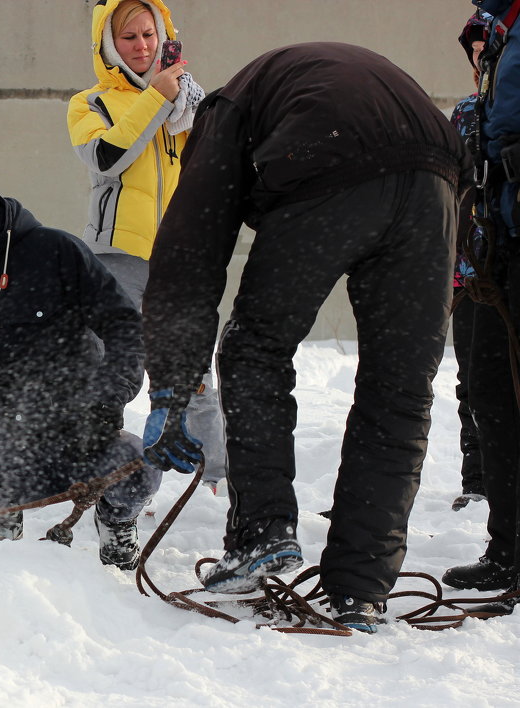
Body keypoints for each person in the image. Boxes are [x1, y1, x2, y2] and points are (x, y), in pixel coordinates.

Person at [139, 43, 473, 632]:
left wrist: (171, 386)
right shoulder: (299, 82)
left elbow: (189, 257)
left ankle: (261, 534)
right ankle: (361, 587)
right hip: (436, 181)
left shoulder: (222, 115)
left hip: (331, 159)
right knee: (400, 388)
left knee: (253, 348)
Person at [0, 157, 160, 568]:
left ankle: (116, 522)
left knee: (139, 467)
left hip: (74, 431)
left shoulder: (55, 252)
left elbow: (125, 327)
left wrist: (105, 403)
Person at [66, 0, 227, 490]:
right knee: (107, 360)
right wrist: (155, 98)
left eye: (149, 35)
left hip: (180, 254)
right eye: (129, 38)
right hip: (118, 255)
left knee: (192, 364)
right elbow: (106, 157)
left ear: (164, 36)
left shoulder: (191, 102)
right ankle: (90, 464)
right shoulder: (89, 104)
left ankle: (220, 478)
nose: (142, 46)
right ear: (109, 46)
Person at [443, 0, 520, 612]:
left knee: (500, 400)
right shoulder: (471, 107)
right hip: (484, 268)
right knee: (490, 400)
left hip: (505, 256)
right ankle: (508, 548)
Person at [450, 11, 492, 513]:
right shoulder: (463, 113)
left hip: (508, 264)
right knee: (472, 380)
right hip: (468, 271)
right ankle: (476, 479)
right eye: (474, 52)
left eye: (489, 48)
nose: (480, 58)